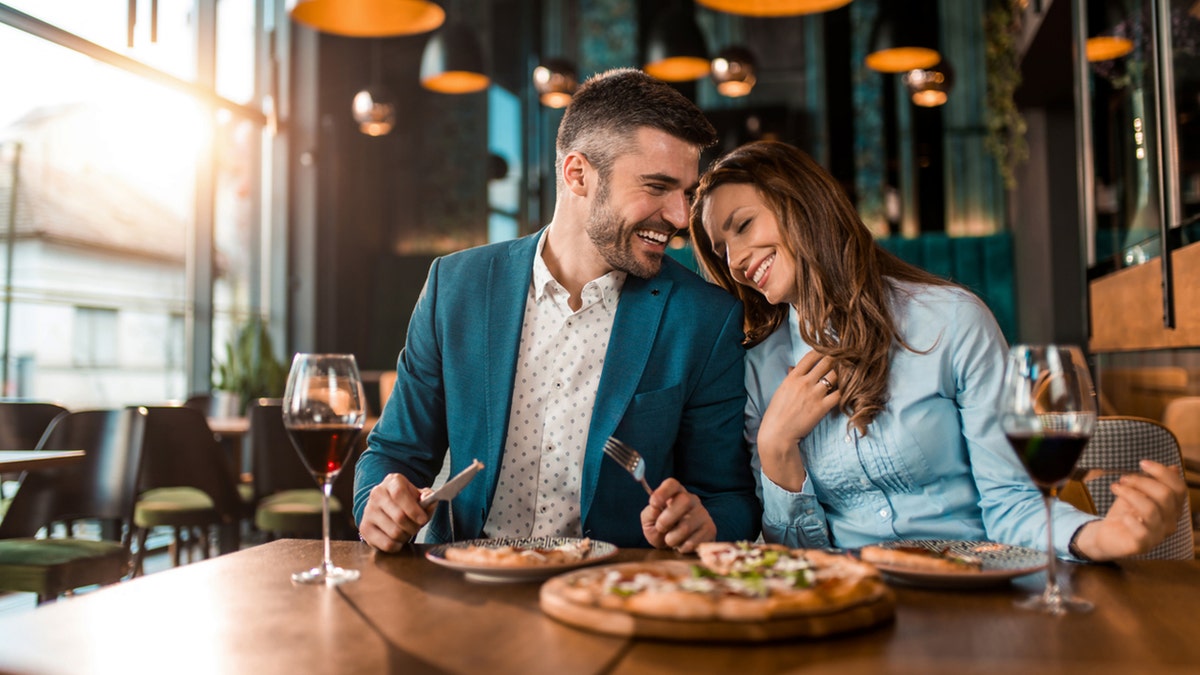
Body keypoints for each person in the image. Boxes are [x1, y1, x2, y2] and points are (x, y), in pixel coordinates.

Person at [688, 140, 1186, 561]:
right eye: (719, 248)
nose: (733, 261)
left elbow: (1012, 503)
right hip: (852, 604)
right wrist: (777, 447)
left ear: (801, 204)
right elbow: (799, 558)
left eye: (743, 225)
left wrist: (1099, 536)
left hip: (973, 592)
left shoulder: (950, 320)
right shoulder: (757, 368)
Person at [354, 68, 760, 553]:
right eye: (656, 187)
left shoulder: (705, 319)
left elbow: (730, 498)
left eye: (686, 194)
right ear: (578, 174)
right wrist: (376, 503)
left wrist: (706, 522)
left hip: (611, 595)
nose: (678, 217)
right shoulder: (455, 286)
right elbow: (393, 453)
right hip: (465, 585)